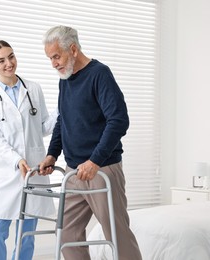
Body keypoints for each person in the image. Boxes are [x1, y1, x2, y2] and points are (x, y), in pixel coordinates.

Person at [39, 26, 142, 260]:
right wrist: (52, 154)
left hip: (101, 169)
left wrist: (95, 160)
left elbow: (118, 120)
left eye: (57, 56)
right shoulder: (65, 79)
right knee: (66, 234)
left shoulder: (99, 74)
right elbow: (63, 120)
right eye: (50, 59)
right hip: (74, 172)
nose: (54, 64)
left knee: (117, 235)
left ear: (73, 49)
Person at [0, 40, 57, 260]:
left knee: (26, 235)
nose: (9, 63)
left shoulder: (32, 88)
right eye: (1, 60)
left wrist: (62, 108)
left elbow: (43, 127)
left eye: (11, 56)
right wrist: (16, 160)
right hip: (5, 172)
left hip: (33, 170)